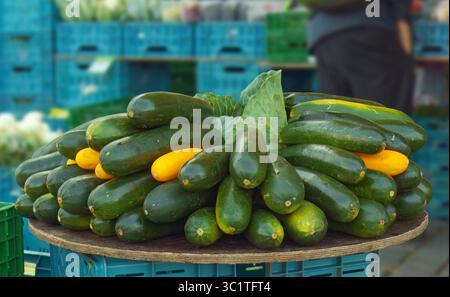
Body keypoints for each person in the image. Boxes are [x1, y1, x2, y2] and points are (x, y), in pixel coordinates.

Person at [295, 0, 415, 113]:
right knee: (384, 119)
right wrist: (403, 21)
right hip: (370, 25)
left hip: (324, 34)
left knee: (336, 119)